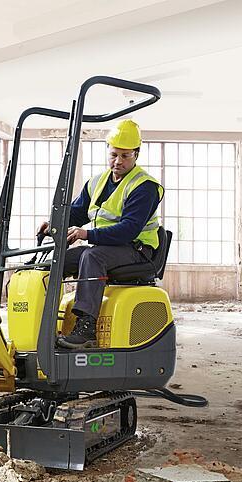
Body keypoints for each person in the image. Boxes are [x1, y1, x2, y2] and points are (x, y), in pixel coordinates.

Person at [38, 119, 164, 349]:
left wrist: (86, 234)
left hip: (137, 250)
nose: (118, 161)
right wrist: (53, 224)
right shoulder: (97, 182)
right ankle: (43, 321)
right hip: (106, 248)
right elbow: (76, 214)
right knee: (57, 260)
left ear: (136, 154)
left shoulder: (144, 186)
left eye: (125, 156)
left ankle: (86, 327)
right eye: (114, 154)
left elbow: (129, 230)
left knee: (92, 256)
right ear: (108, 150)